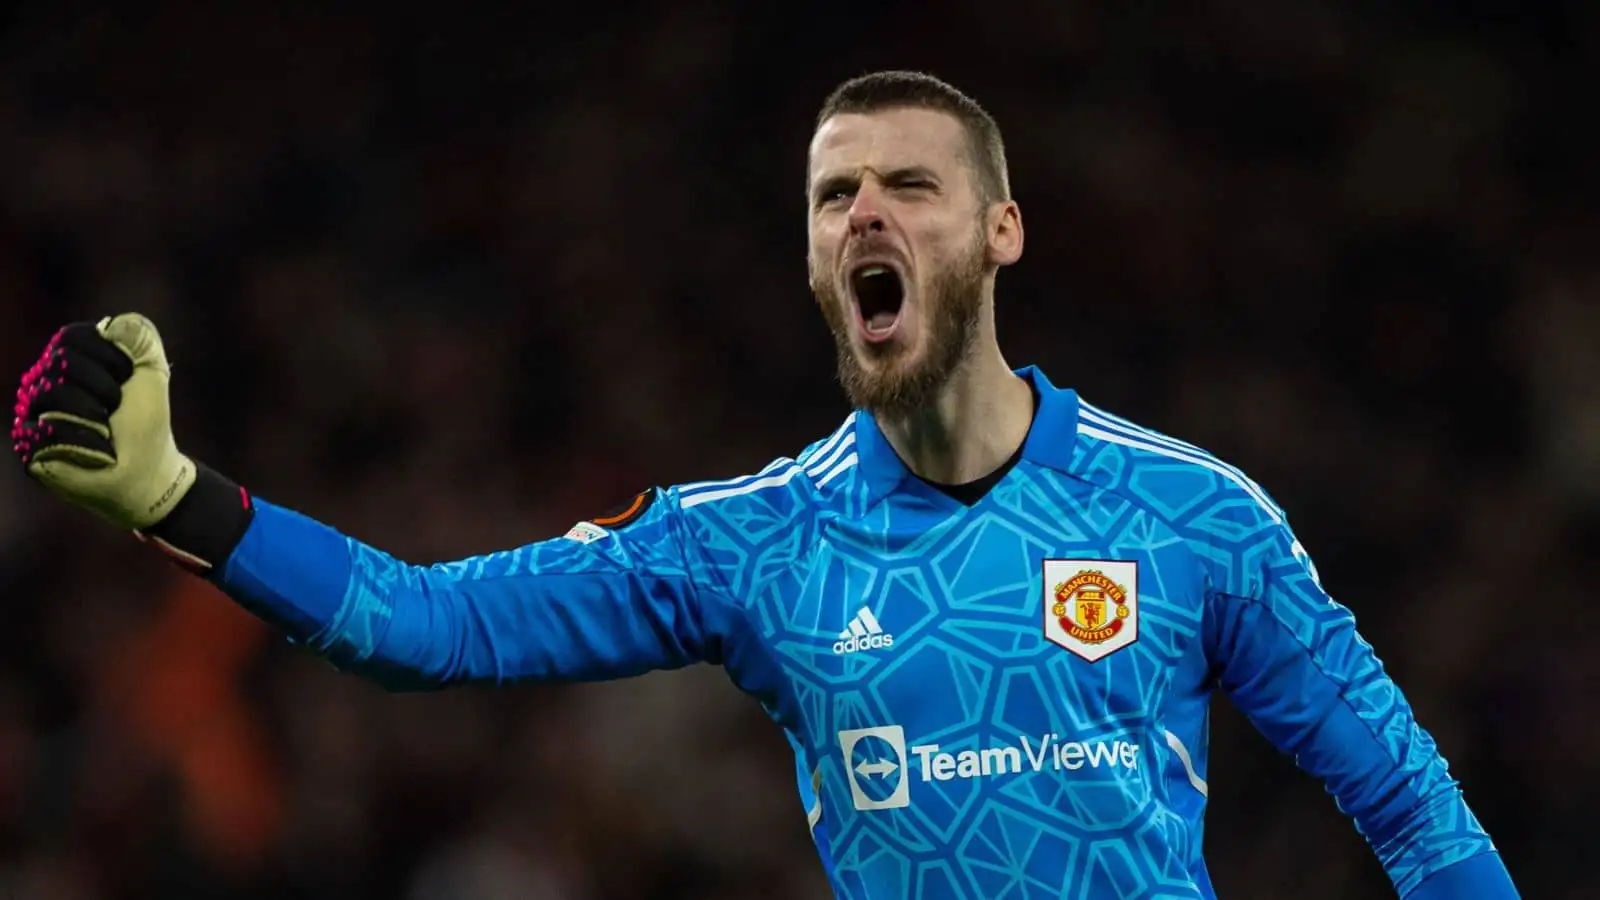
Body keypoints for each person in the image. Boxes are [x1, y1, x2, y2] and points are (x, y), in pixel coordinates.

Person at [11, 70, 1519, 899]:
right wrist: (176, 496)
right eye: (829, 196)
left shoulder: (1196, 517)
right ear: (813, 259)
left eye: (908, 185)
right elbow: (429, 625)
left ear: (999, 233)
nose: (863, 210)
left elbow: (1414, 813)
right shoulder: (753, 546)